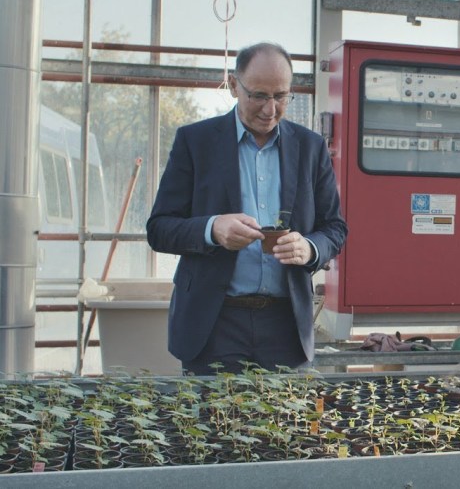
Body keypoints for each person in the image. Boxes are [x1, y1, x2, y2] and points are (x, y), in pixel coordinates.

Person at [147, 42, 347, 375]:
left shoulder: (310, 148)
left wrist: (309, 248)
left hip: (286, 324)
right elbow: (159, 228)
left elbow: (335, 228)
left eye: (281, 96)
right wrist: (213, 229)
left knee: (283, 424)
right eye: (259, 96)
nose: (270, 109)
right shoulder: (195, 142)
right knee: (212, 425)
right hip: (214, 322)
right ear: (234, 86)